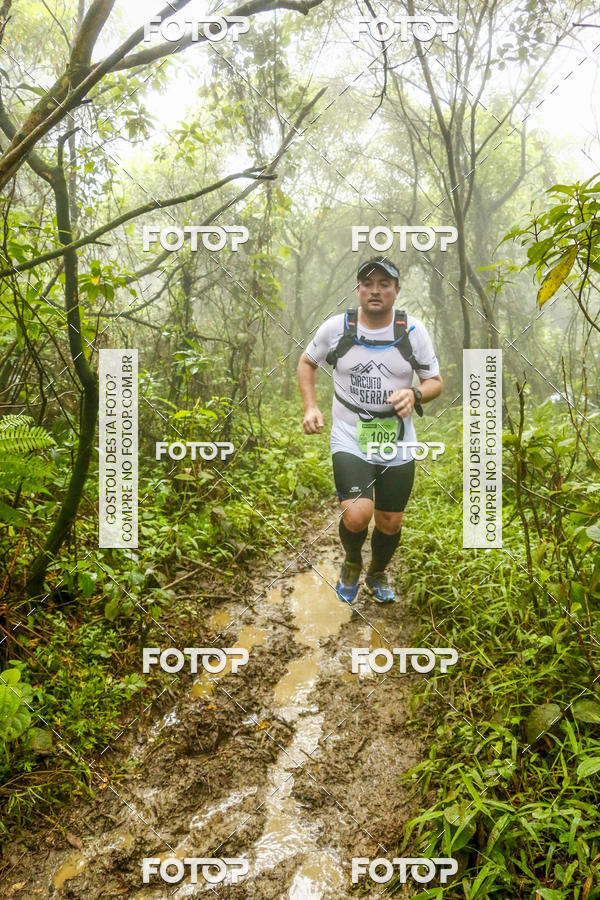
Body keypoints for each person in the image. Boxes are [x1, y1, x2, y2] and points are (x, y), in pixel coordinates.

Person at [296, 255, 443, 604]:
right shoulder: (337, 328)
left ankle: (377, 572)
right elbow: (307, 363)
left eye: (384, 284)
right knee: (358, 513)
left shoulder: (412, 331)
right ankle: (350, 562)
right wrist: (311, 406)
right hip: (349, 432)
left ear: (396, 290)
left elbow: (435, 381)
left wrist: (415, 393)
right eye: (368, 284)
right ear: (359, 288)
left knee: (390, 520)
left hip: (398, 435)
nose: (375, 291)